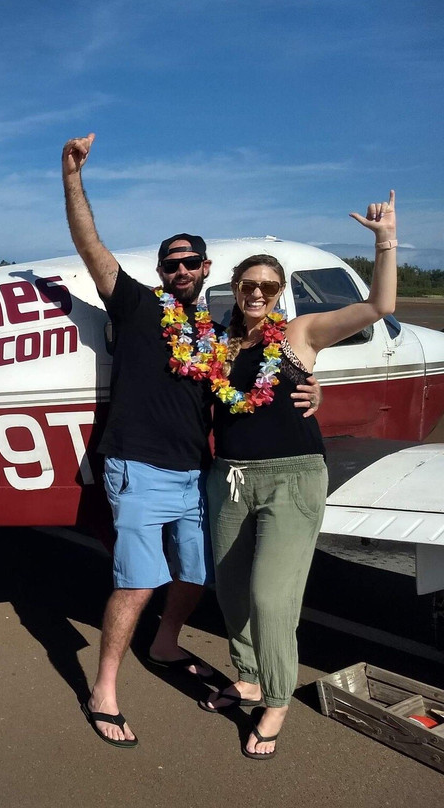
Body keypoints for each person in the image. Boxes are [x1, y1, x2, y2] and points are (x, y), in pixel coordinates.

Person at [61, 133, 321, 748]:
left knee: (201, 572)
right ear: (159, 271)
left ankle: (166, 641)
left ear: (205, 271)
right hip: (139, 463)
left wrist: (315, 388)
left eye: (189, 262)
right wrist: (73, 175)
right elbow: (88, 244)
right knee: (137, 580)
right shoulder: (135, 303)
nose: (178, 270)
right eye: (169, 263)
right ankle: (104, 689)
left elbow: (270, 366)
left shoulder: (216, 333)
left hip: (194, 469)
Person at [199, 192, 398, 760]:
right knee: (234, 591)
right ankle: (250, 676)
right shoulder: (219, 344)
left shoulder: (301, 335)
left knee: (270, 595)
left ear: (279, 293)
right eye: (248, 286)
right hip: (230, 477)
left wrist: (384, 242)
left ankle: (278, 698)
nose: (257, 294)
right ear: (234, 291)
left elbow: (380, 306)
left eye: (268, 287)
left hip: (292, 477)